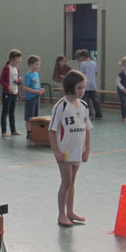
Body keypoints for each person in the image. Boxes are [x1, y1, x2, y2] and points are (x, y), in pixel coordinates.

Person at [48, 70, 91, 227]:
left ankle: (70, 212)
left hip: (77, 149)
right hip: (65, 150)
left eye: (84, 87)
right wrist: (56, 151)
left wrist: (87, 149)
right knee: (66, 181)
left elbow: (87, 129)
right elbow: (52, 130)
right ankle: (61, 215)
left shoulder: (84, 106)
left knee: (72, 182)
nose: (82, 91)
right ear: (70, 87)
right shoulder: (61, 106)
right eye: (79, 87)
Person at [0, 49, 23, 137]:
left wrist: (19, 82)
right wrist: (7, 86)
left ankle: (13, 130)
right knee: (5, 112)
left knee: (12, 112)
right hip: (7, 94)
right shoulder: (6, 68)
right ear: (12, 59)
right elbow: (1, 80)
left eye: (20, 58)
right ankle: (4, 131)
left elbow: (15, 82)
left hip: (14, 93)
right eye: (18, 58)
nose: (20, 60)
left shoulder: (16, 69)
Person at [23, 55, 45, 139]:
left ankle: (33, 131)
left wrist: (40, 89)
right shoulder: (28, 75)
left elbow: (36, 85)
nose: (38, 66)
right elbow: (25, 88)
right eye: (36, 64)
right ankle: (28, 132)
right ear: (30, 65)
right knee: (29, 117)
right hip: (30, 99)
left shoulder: (36, 74)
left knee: (35, 116)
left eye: (39, 64)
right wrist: (36, 91)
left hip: (36, 98)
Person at [76, 49, 101, 119]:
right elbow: (96, 72)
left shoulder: (82, 64)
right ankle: (98, 115)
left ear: (83, 57)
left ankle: (86, 114)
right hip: (93, 85)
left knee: (85, 101)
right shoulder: (94, 63)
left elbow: (81, 74)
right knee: (95, 101)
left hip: (85, 85)